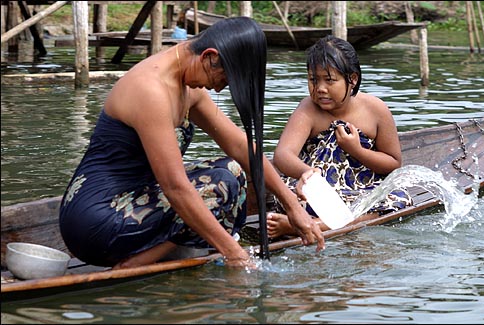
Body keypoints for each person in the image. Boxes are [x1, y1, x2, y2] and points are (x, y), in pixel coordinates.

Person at [59, 17, 325, 270]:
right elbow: (175, 188)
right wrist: (235, 254)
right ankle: (131, 266)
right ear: (210, 57)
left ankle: (152, 254)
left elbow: (241, 147)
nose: (219, 89)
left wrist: (291, 204)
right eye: (223, 80)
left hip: (139, 198)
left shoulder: (187, 86)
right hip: (95, 220)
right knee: (218, 188)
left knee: (232, 172)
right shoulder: (151, 90)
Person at [267, 35, 413, 238]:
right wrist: (307, 173)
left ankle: (305, 226)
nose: (320, 89)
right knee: (291, 197)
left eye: (329, 80)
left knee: (398, 199)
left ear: (352, 80)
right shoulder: (308, 109)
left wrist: (357, 151)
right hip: (318, 191)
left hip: (360, 190)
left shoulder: (376, 109)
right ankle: (310, 221)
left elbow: (393, 162)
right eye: (313, 80)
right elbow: (283, 155)